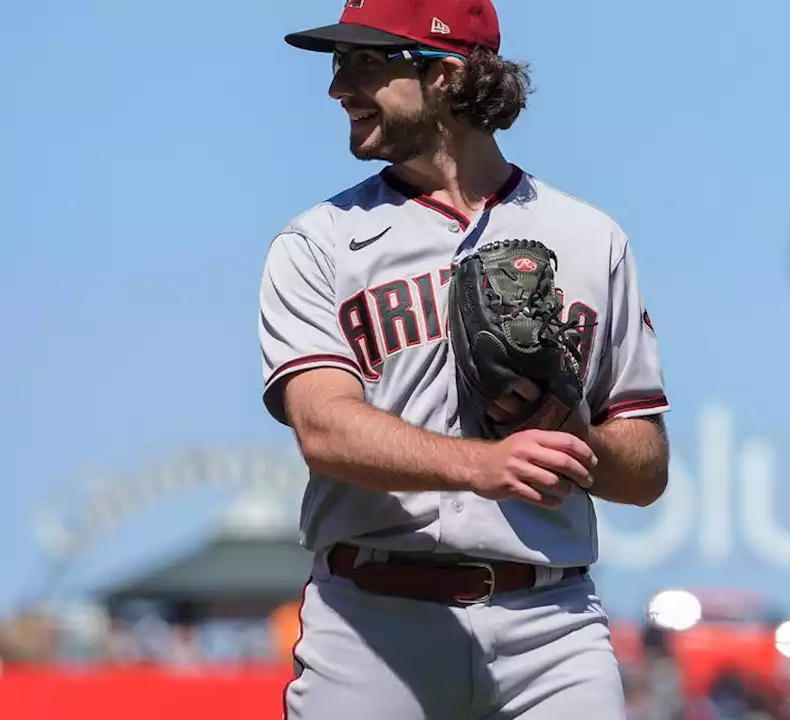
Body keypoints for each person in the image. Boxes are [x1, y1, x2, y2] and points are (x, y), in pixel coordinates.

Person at [259, 1, 671, 718]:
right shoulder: (317, 242)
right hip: (372, 621)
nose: (338, 88)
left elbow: (646, 469)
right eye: (339, 62)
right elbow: (323, 429)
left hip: (552, 628)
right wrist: (484, 464)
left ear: (446, 76)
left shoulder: (589, 238)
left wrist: (573, 436)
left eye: (366, 62)